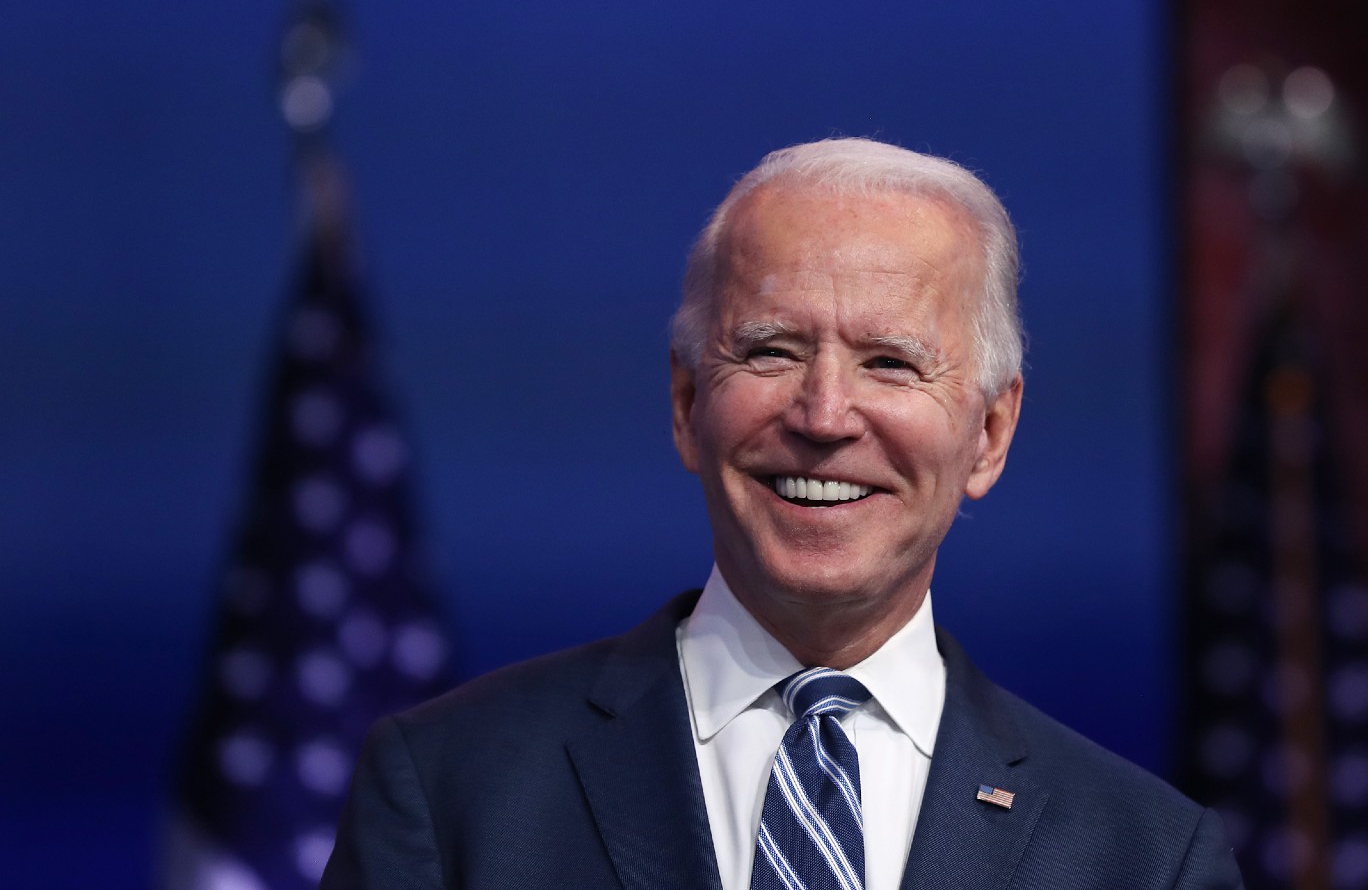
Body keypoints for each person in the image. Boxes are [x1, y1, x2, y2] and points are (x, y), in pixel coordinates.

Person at [322, 138, 1243, 889]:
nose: (823, 416)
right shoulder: (449, 789)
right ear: (687, 404)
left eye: (890, 362)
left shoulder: (1145, 859)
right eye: (770, 350)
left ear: (990, 433)